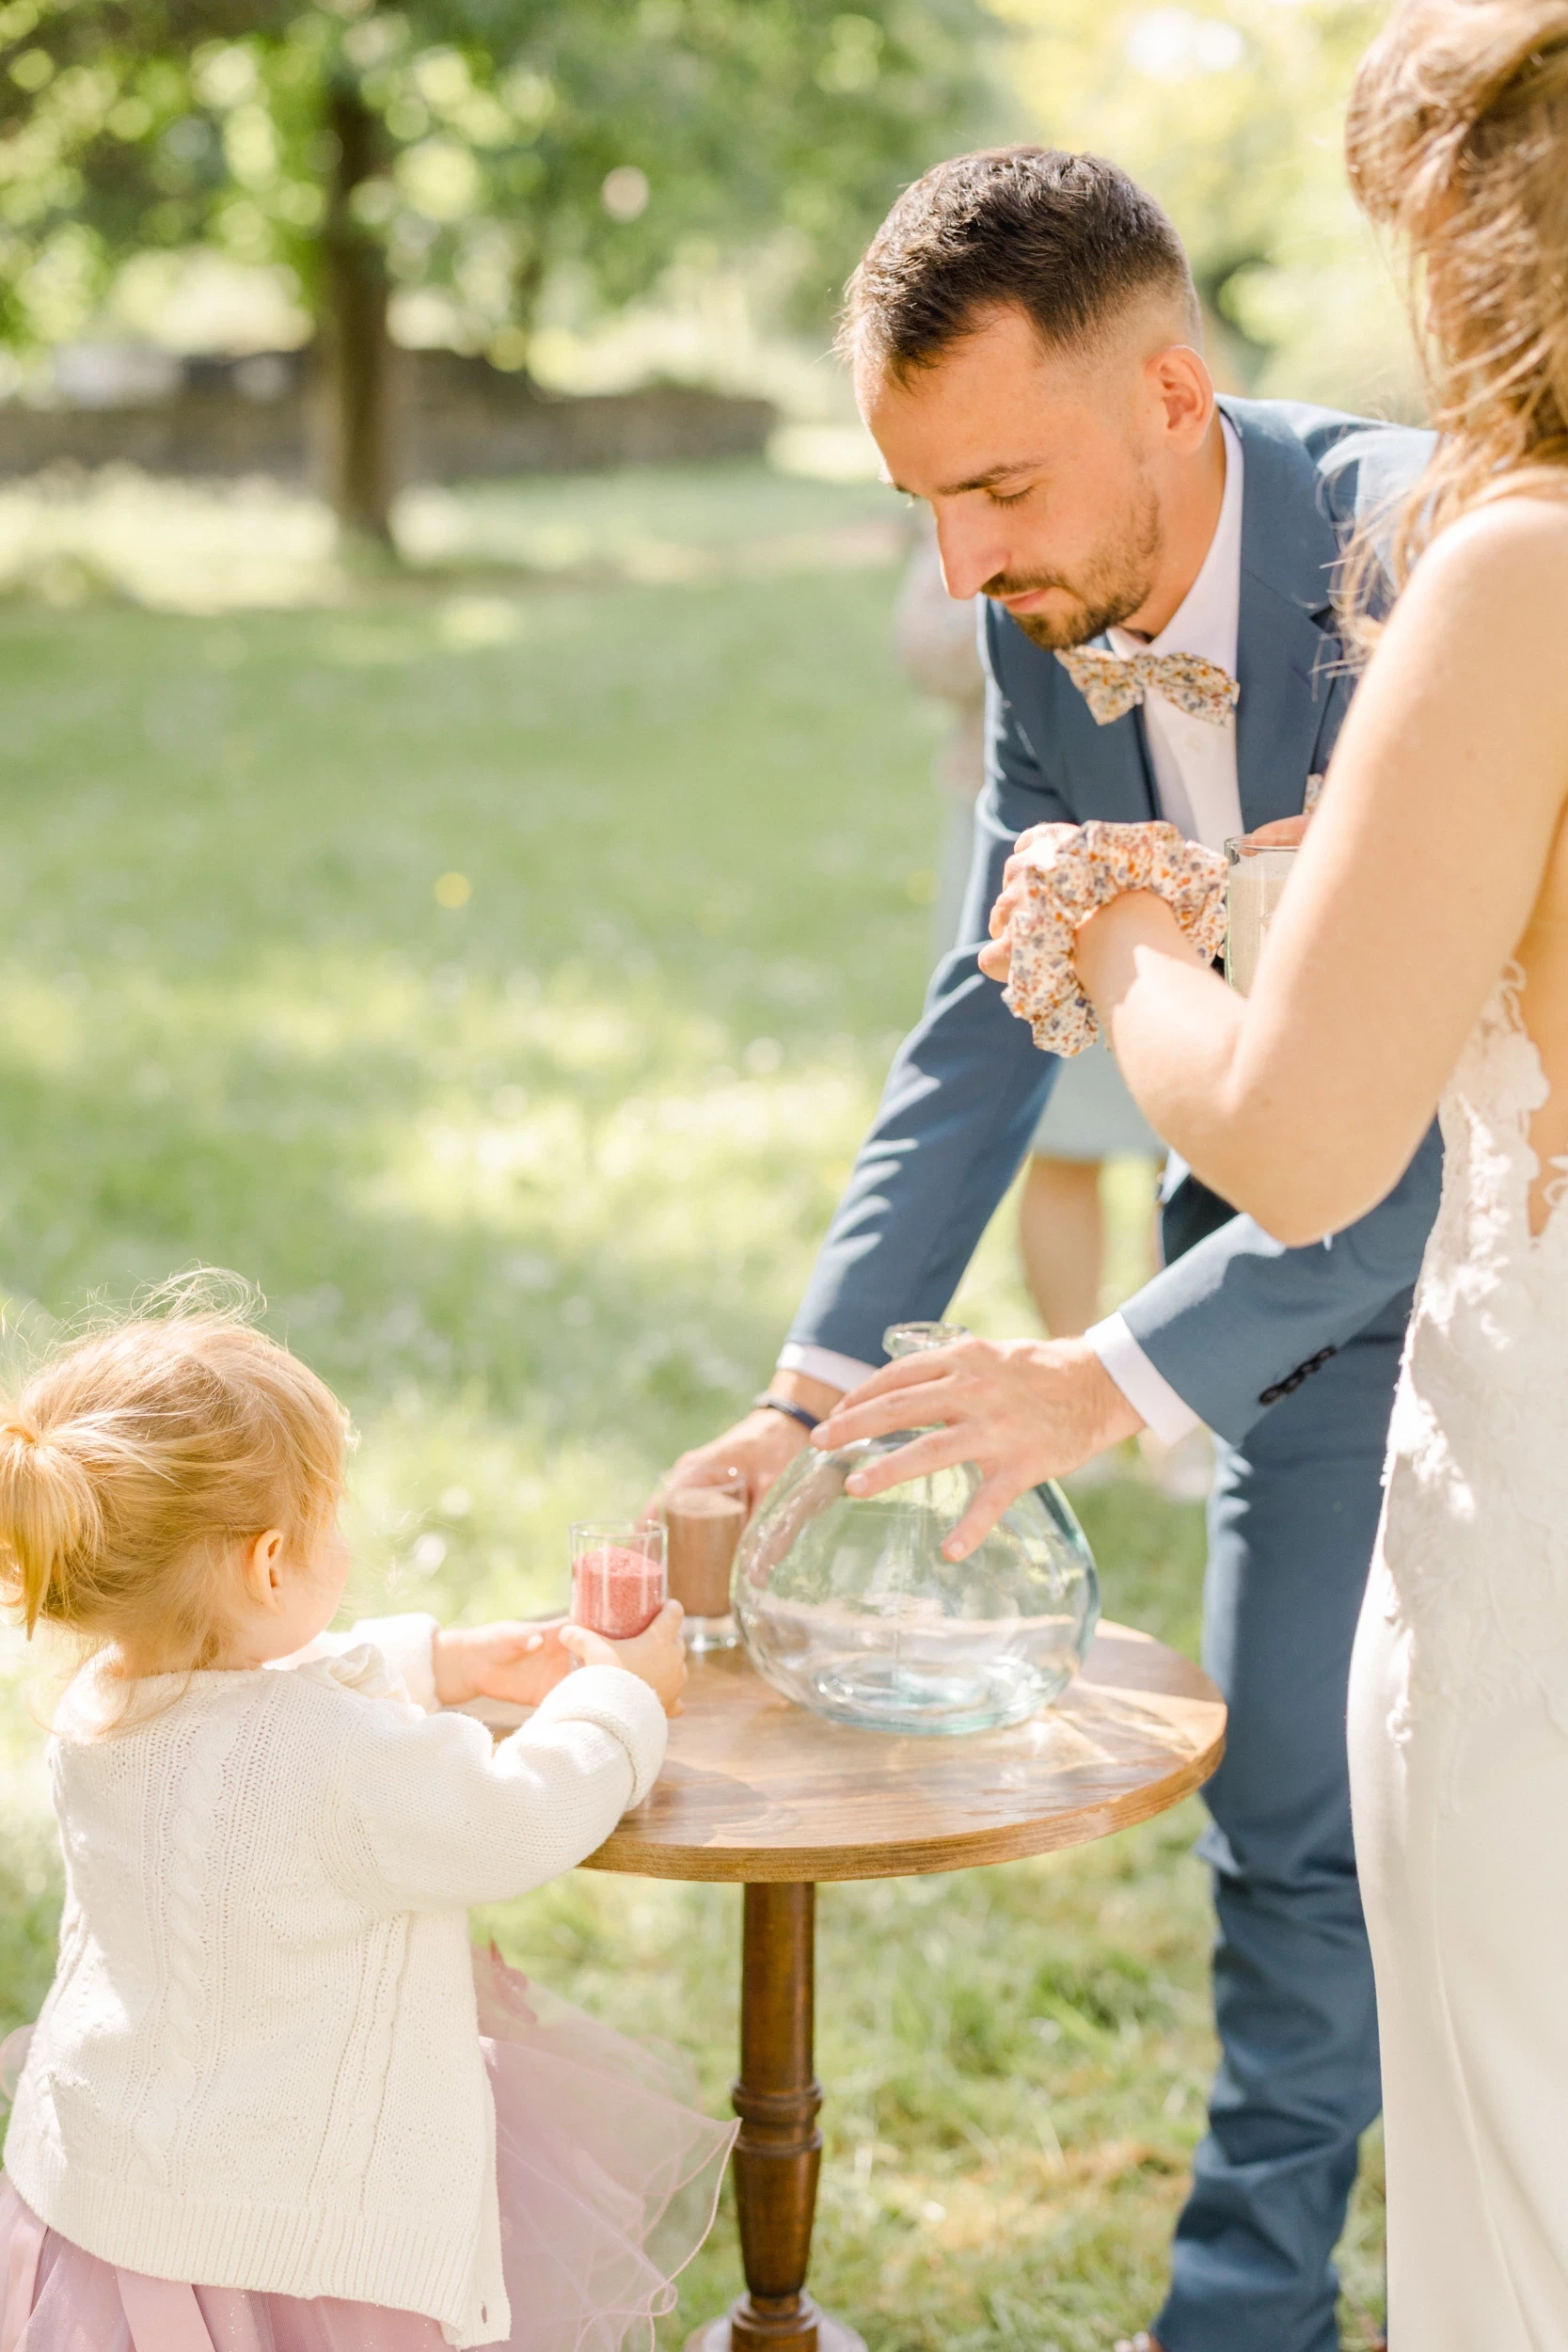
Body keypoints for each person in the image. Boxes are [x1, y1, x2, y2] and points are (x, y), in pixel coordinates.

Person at [671, 147, 1436, 2352]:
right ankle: (1245, 2314)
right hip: (1282, 1290)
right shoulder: (1051, 624)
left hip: (1492, 1232)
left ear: (1174, 395)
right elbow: (995, 996)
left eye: (997, 485)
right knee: (1285, 1811)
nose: (960, 559)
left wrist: (1102, 1371)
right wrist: (809, 1386)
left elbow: (1409, 1119)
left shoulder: (1424, 563)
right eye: (924, 501)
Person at [925, 7, 1568, 2340]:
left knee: (1523, 2143)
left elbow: (1310, 1133)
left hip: (1531, 1470)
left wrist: (1114, 937)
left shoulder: (1506, 567)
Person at [0, 1291, 729, 2352]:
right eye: (325, 1519)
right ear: (267, 1563)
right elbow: (514, 1815)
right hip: (300, 2243)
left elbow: (249, 1718)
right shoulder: (341, 1759)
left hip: (114, 2194)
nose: (341, 1539)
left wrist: (431, 1660)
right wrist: (617, 1698)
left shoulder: (99, 1709)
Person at [895, 526, 1161, 1343]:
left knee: (1183, 1147)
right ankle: (1068, 1350)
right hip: (1024, 850)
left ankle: (1176, 1408)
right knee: (1063, 1135)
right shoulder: (988, 523)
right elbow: (923, 651)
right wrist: (1024, 608)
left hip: (1171, 848)